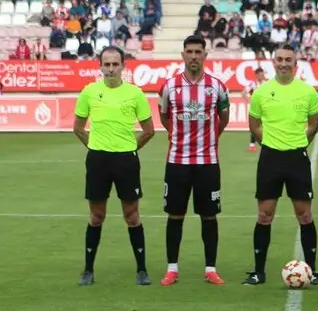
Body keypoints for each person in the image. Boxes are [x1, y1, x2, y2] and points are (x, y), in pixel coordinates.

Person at [73, 46, 156, 286]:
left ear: (123, 66)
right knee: (96, 216)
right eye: (106, 64)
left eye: (115, 64)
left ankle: (142, 269)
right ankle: (88, 270)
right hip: (98, 159)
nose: (111, 69)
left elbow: (149, 131)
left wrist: (129, 150)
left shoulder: (135, 94)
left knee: (132, 215)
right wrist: (96, 147)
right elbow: (78, 128)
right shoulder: (89, 92)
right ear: (100, 66)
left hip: (126, 160)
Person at [243, 45, 318, 285]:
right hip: (270, 159)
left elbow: (314, 124)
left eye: (289, 59)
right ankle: (259, 272)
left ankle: (313, 271)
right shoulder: (261, 92)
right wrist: (269, 143)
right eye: (280, 59)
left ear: (295, 63)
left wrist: (298, 143)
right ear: (273, 63)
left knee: (304, 215)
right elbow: (254, 124)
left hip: (297, 157)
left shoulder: (307, 92)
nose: (284, 63)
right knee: (265, 215)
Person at [157, 35, 230, 286]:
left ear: (205, 55)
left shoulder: (218, 86)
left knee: (209, 216)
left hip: (207, 162)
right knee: (175, 215)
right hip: (177, 162)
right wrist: (180, 137)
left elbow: (224, 119)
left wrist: (209, 139)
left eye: (198, 51)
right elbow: (165, 118)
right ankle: (172, 268)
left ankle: (210, 269)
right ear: (182, 55)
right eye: (189, 51)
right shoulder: (169, 87)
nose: (194, 56)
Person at [242, 66, 266, 151]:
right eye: (260, 74)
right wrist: (250, 101)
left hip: (266, 108)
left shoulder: (266, 84)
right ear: (256, 75)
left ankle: (266, 143)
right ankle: (252, 144)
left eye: (263, 74)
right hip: (256, 108)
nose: (262, 76)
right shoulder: (252, 84)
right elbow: (244, 93)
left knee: (267, 125)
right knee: (255, 126)